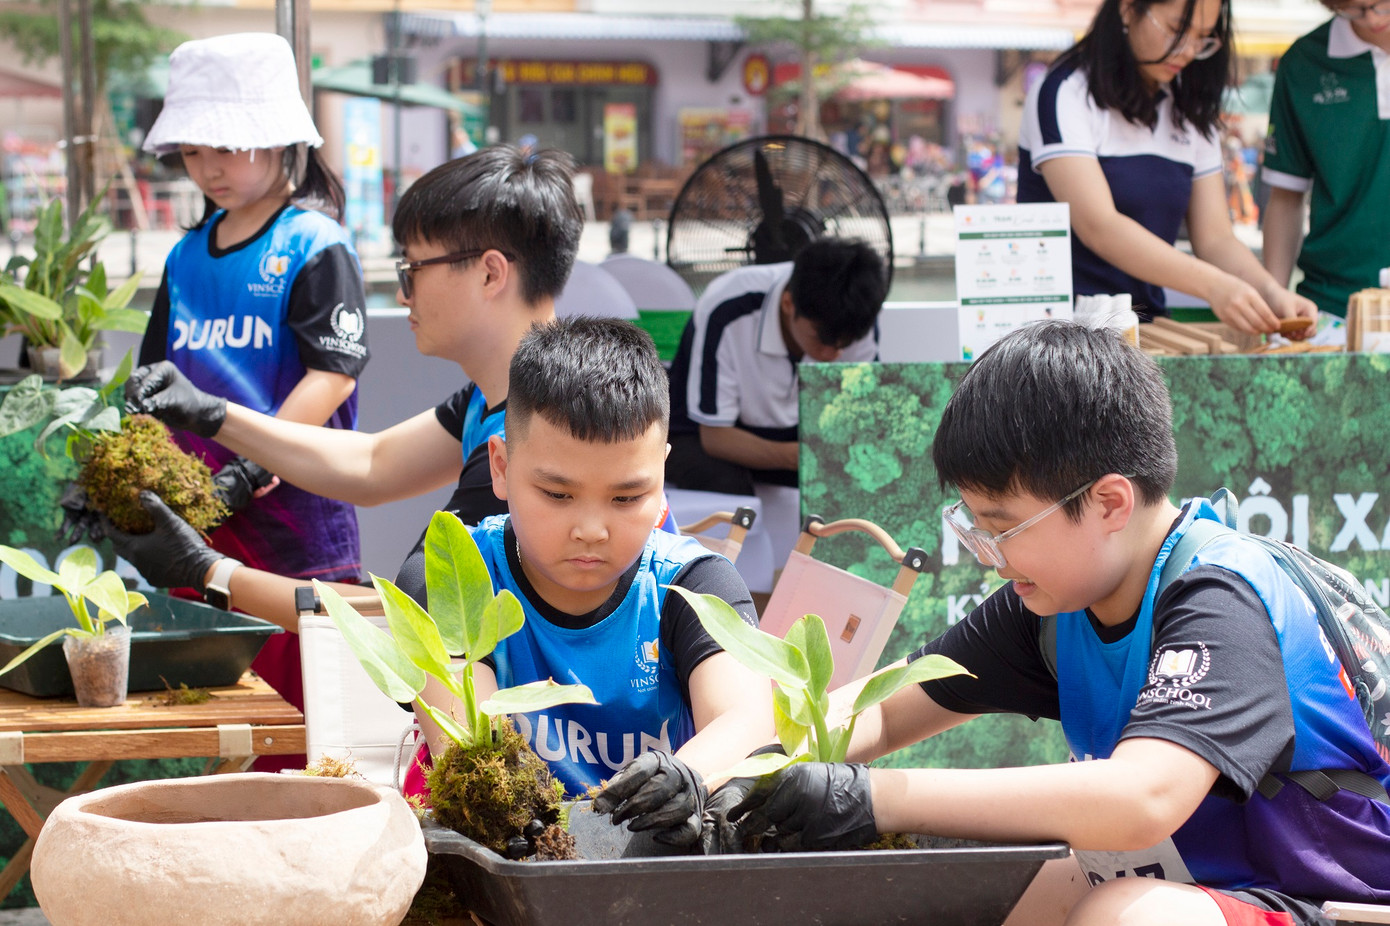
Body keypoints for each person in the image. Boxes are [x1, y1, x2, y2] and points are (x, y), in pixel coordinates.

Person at [715, 320, 1390, 925]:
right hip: (1229, 887)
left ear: (1109, 503)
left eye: (1003, 528)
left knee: (1123, 917)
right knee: (1040, 893)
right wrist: (728, 777)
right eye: (975, 528)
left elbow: (1141, 798)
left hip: (1341, 905)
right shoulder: (1053, 602)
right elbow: (884, 713)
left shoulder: (1224, 597)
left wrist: (874, 798)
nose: (989, 556)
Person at [109, 145, 583, 631]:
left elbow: (406, 620)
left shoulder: (536, 441)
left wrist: (210, 571)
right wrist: (215, 415)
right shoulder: (509, 396)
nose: (403, 294)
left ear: (489, 272)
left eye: (413, 270)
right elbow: (372, 464)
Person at [407, 317, 774, 845]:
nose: (591, 530)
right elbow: (470, 753)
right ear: (502, 466)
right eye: (558, 494)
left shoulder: (697, 585)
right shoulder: (453, 574)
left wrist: (685, 777)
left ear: (662, 477)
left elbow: (745, 714)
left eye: (627, 498)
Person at [131, 32, 371, 742]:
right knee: (207, 726)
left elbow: (333, 375)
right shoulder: (183, 256)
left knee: (301, 727)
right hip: (196, 531)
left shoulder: (313, 244)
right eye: (195, 149)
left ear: (279, 141)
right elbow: (152, 384)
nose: (209, 166)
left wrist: (248, 469)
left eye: (228, 146)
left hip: (297, 531)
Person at [1017, 0, 1317, 334]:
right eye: (1176, 30)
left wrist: (1271, 291)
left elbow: (1215, 238)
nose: (1188, 51)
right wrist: (1214, 286)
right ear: (1129, 9)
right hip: (1060, 339)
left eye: (1203, 38)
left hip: (1148, 331)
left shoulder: (1187, 106)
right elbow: (1099, 225)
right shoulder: (1064, 91)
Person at [665, 238, 886, 497]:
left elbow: (860, 417)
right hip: (705, 436)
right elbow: (715, 437)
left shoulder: (856, 315)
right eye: (821, 339)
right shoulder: (727, 309)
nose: (832, 354)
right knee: (727, 486)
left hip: (799, 440)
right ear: (788, 304)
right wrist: (799, 457)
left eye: (845, 344)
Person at [1261, 0, 1390, 319]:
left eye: (1382, 4)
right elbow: (1286, 196)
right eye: (1354, 9)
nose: (1373, 18)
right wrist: (1275, 302)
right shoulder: (1304, 63)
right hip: (1334, 304)